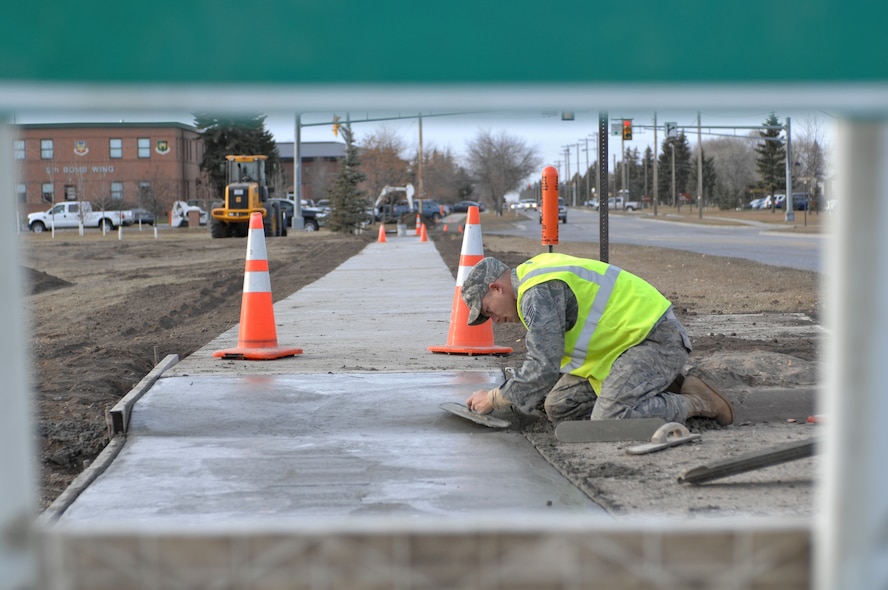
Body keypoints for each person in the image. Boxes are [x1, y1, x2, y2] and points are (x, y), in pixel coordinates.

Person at [461, 253, 733, 425]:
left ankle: (698, 401)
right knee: (559, 407)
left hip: (654, 339)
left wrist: (496, 397)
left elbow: (543, 366)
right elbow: (550, 364)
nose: (493, 320)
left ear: (496, 288)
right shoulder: (532, 274)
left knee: (610, 419)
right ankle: (656, 386)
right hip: (619, 351)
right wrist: (520, 394)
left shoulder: (536, 293)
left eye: (488, 311)